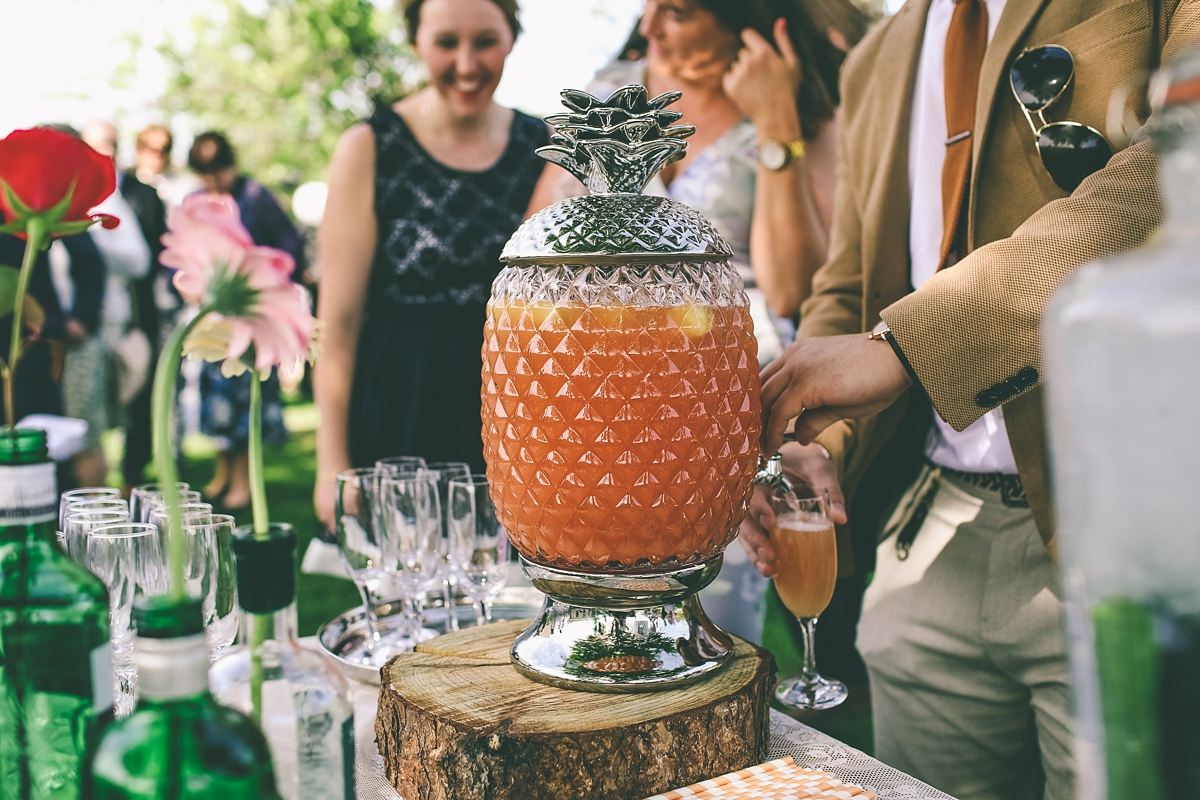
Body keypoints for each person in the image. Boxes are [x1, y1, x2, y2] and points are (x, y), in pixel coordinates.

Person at [740, 0, 1200, 797]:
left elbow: (1178, 163)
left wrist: (906, 348)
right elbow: (848, 284)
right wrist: (813, 443)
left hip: (1125, 533)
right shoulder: (875, 58)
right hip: (927, 553)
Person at [525, 0, 866, 365]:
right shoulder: (609, 94)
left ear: (741, 19)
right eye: (647, 4)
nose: (648, 28)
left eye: (676, 12)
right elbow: (537, 246)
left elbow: (790, 293)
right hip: (603, 360)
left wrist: (776, 121)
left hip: (729, 366)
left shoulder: (802, 109)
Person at [312, 0, 548, 528]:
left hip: (513, 420)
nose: (467, 65)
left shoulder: (546, 150)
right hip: (399, 414)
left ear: (511, 38)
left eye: (485, 41)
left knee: (508, 601)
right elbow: (338, 325)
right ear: (416, 43)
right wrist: (331, 462)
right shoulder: (369, 146)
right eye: (446, 43)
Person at [188, 131, 305, 510]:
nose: (210, 178)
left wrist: (257, 273)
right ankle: (223, 472)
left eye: (216, 169)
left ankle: (244, 479)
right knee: (216, 400)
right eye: (202, 171)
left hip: (251, 315)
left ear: (230, 164)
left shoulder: (255, 197)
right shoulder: (194, 202)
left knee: (244, 396)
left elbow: (290, 249)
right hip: (212, 315)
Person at [82, 121, 158, 493]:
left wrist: (86, 238)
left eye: (109, 145)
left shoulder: (114, 195)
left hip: (108, 324)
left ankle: (124, 486)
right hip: (61, 328)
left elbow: (141, 260)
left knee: (104, 422)